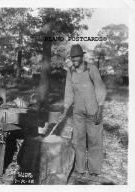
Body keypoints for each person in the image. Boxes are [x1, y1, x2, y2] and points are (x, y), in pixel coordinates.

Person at [62, 44, 107, 182]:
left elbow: (100, 88)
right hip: (78, 112)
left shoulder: (91, 69)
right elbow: (68, 91)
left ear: (82, 57)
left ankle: (94, 171)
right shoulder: (70, 71)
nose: (74, 60)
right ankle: (79, 169)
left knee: (94, 140)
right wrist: (65, 109)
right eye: (72, 57)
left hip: (93, 110)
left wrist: (100, 109)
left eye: (77, 57)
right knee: (78, 140)